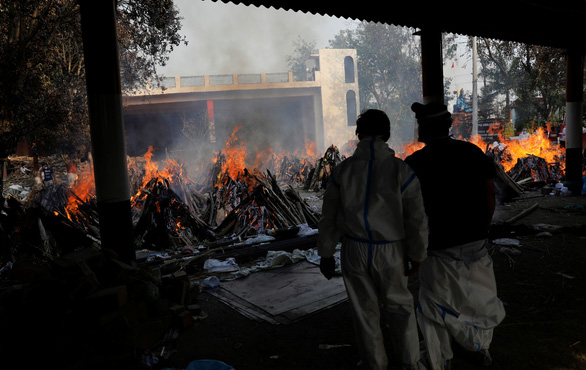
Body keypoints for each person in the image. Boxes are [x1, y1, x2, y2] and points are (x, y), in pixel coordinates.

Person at [318, 109, 428, 370]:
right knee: (400, 309)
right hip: (392, 250)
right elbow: (416, 219)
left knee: (364, 313)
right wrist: (418, 254)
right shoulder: (401, 171)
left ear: (358, 134)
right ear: (387, 134)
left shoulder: (343, 171)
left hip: (354, 250)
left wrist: (326, 253)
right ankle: (410, 363)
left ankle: (374, 364)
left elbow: (329, 217)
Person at [404, 102, 506, 369]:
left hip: (436, 248)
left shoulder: (414, 163)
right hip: (475, 242)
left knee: (432, 306)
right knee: (479, 301)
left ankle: (441, 360)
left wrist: (413, 250)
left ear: (424, 128)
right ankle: (479, 347)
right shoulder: (473, 153)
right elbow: (489, 195)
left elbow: (410, 213)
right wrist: (484, 228)